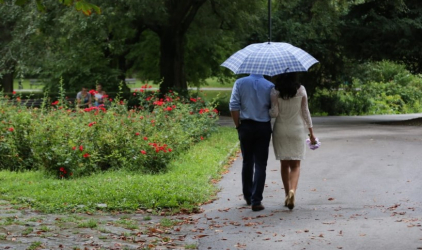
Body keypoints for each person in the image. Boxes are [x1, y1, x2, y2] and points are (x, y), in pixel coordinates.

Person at [269, 72, 316, 210]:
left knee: (284, 164)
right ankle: (292, 192)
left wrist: (267, 110)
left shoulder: (275, 91)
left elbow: (275, 113)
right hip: (297, 129)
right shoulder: (301, 89)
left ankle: (286, 194)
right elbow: (305, 111)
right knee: (295, 165)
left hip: (281, 129)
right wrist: (311, 133)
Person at [229, 74, 274, 211]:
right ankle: (256, 200)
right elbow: (273, 109)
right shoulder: (269, 86)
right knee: (261, 163)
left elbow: (233, 105)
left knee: (247, 161)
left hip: (246, 126)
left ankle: (248, 195)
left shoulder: (240, 83)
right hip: (263, 127)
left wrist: (238, 126)